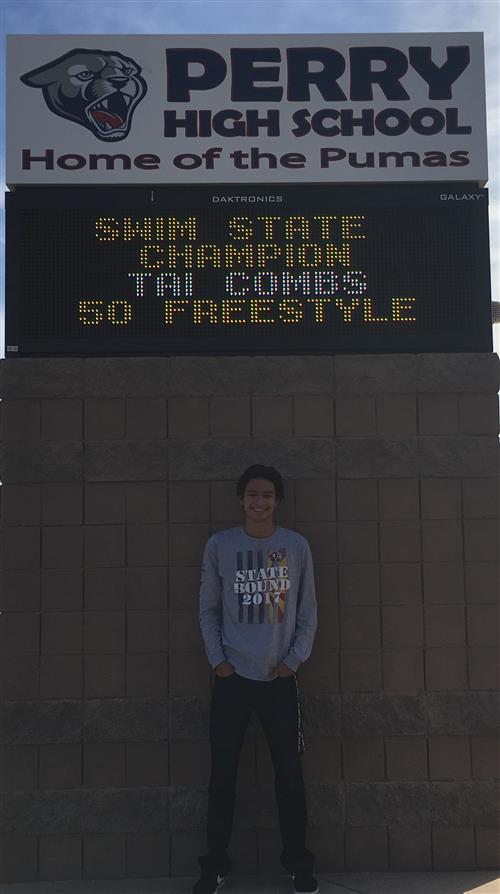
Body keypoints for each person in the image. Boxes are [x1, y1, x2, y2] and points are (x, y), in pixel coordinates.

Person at [194, 464, 318, 894]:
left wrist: (293, 662)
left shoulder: (296, 547)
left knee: (290, 777)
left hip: (280, 681)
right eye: (252, 494)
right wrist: (218, 662)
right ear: (241, 498)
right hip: (231, 681)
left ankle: (298, 864)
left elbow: (307, 612)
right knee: (222, 776)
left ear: (277, 500)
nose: (259, 502)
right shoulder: (221, 546)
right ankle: (213, 866)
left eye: (267, 495)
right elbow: (208, 609)